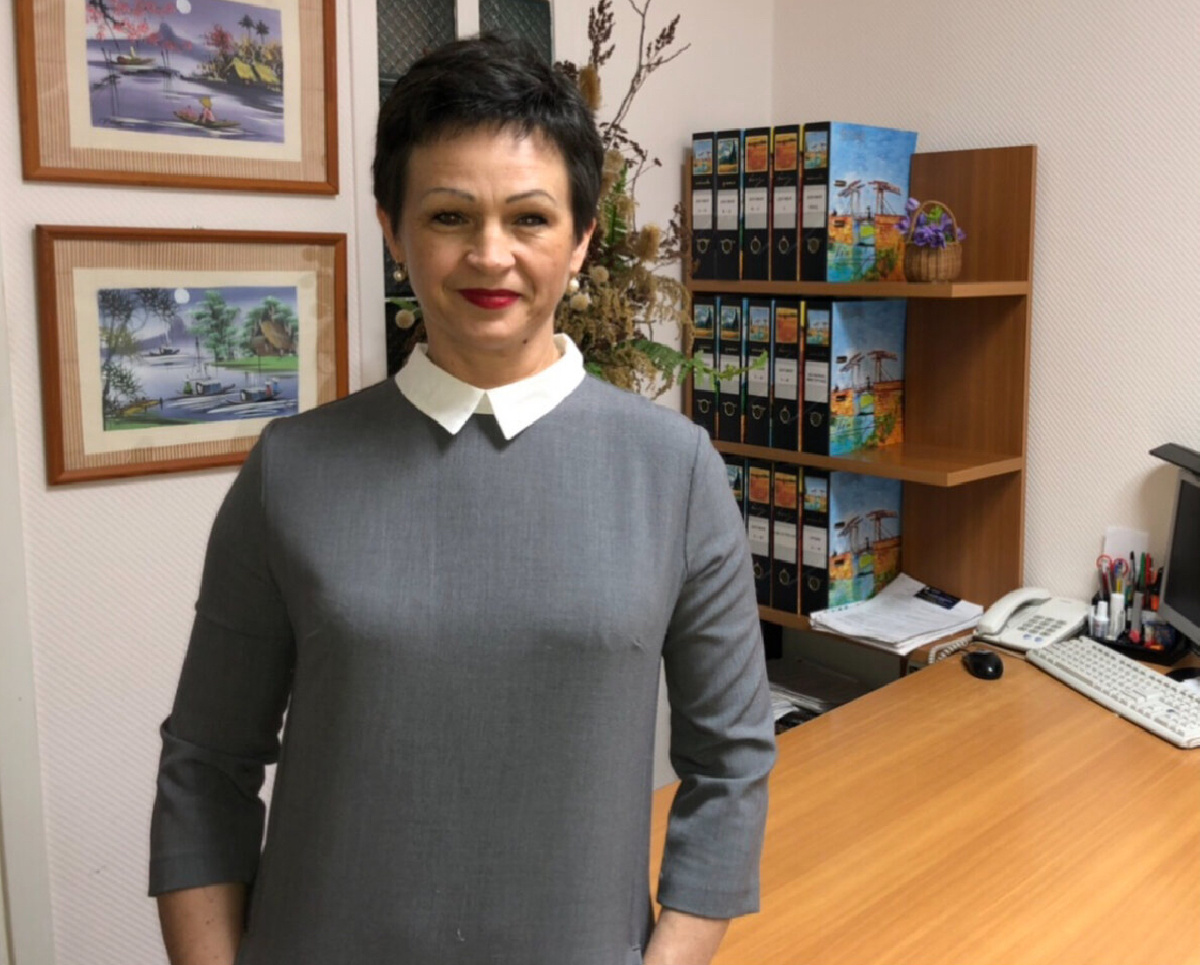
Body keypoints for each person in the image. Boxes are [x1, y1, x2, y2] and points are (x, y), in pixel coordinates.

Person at [150, 35, 774, 965]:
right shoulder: (292, 469)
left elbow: (731, 762)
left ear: (582, 239)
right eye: (449, 215)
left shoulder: (673, 472)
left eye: (530, 218)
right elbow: (206, 764)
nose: (491, 255)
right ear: (393, 231)